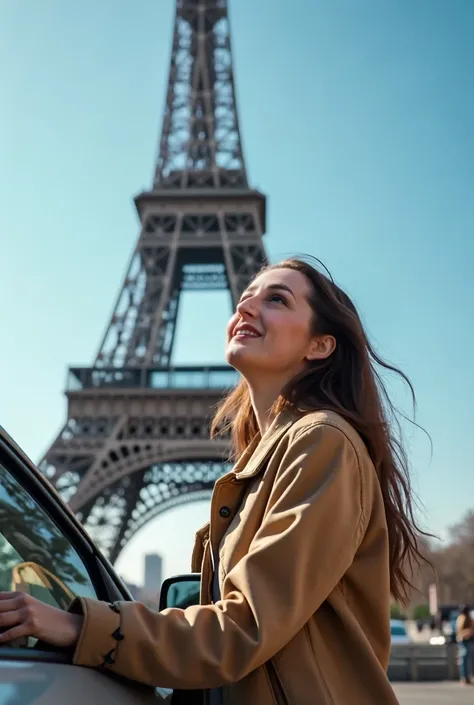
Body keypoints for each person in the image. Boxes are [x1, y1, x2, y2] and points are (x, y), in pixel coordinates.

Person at [0, 257, 429, 704]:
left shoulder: (323, 441)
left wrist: (77, 625)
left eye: (276, 299)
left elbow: (243, 626)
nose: (245, 309)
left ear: (320, 345)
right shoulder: (271, 457)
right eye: (244, 299)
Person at [456, 606, 474, 685]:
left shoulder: (468, 618)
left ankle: (467, 677)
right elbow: (459, 630)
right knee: (464, 660)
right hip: (464, 641)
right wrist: (467, 632)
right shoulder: (462, 618)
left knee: (468, 660)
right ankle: (464, 677)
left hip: (468, 640)